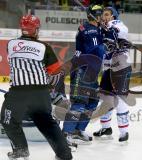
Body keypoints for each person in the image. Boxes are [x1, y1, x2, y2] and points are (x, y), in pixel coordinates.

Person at [0, 14, 72, 160]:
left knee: (8, 120)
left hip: (18, 94)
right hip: (40, 94)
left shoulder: (10, 44)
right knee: (47, 124)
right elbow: (56, 72)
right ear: (36, 29)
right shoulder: (45, 47)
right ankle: (64, 155)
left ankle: (21, 149)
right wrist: (50, 89)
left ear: (22, 28)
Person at [62, 4, 105, 145]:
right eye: (101, 15)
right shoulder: (90, 31)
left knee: (92, 102)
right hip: (82, 70)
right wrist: (108, 44)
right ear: (95, 16)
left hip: (91, 72)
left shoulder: (95, 29)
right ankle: (66, 133)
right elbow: (96, 50)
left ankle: (78, 130)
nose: (103, 17)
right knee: (79, 103)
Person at [93, 7, 132, 142]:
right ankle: (106, 127)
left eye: (107, 15)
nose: (104, 17)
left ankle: (124, 131)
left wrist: (110, 29)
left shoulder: (119, 25)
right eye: (103, 15)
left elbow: (121, 31)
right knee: (105, 98)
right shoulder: (102, 28)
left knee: (120, 99)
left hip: (121, 66)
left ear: (114, 16)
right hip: (108, 67)